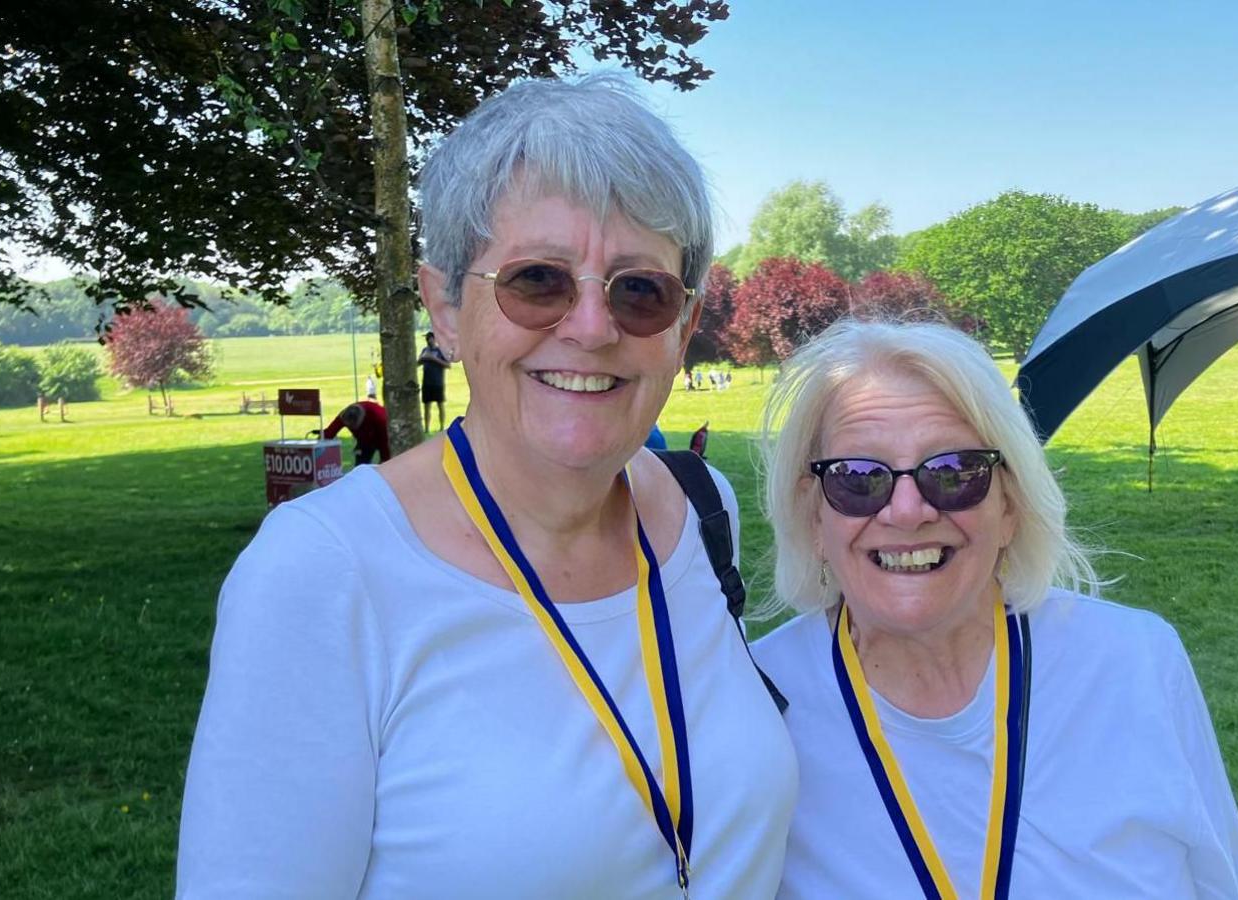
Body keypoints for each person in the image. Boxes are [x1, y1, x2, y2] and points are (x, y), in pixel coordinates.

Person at [179, 76, 796, 897]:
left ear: (682, 329)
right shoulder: (324, 573)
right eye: (537, 279)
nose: (590, 327)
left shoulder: (699, 505)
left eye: (639, 290)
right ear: (444, 308)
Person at [752, 319, 1238, 899]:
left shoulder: (1136, 661)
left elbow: (1228, 887)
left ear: (1011, 505)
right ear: (813, 515)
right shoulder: (756, 702)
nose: (908, 510)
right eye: (859, 478)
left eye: (953, 472)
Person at [320, 398, 391, 466]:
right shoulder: (344, 415)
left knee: (386, 464)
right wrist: (318, 448)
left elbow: (385, 441)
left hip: (380, 436)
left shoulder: (379, 417)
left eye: (354, 426)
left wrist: (384, 459)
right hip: (364, 440)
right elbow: (330, 432)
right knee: (360, 466)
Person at [418, 330, 453, 432]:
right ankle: (426, 428)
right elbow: (417, 363)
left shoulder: (440, 351)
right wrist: (423, 358)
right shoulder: (425, 350)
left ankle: (442, 427)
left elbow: (448, 365)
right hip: (426, 383)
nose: (429, 341)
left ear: (435, 339)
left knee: (440, 405)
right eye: (427, 339)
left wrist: (433, 359)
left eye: (430, 338)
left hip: (438, 383)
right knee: (426, 406)